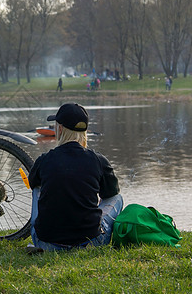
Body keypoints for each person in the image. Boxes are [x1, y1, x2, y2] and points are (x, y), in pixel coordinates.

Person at [27, 103, 123, 253]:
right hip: (92, 242)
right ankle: (88, 227)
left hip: (46, 243)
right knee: (117, 197)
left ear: (59, 128)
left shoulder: (44, 160)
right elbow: (110, 194)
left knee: (36, 187)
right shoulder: (98, 160)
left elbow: (32, 184)